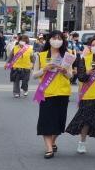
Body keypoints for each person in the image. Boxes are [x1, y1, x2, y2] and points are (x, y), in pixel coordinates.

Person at [32, 30, 74, 159]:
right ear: (49, 39)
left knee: (59, 123)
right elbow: (34, 75)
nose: (57, 40)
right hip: (47, 93)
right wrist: (44, 69)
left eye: (59, 38)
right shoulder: (41, 55)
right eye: (54, 37)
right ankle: (49, 148)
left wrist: (64, 71)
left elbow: (70, 75)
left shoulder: (68, 55)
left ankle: (53, 141)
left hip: (62, 92)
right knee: (46, 121)